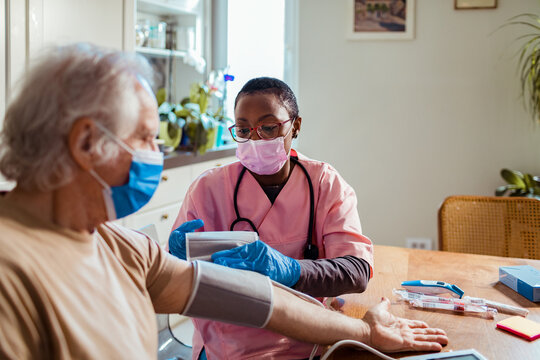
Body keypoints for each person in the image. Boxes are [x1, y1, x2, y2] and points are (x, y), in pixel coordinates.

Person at [0, 44, 447, 360]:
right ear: (86, 143)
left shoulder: (117, 246)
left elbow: (262, 302)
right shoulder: (12, 274)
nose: (157, 153)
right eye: (145, 137)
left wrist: (365, 331)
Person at [168, 78, 393, 359]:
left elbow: (356, 271)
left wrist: (291, 270)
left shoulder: (324, 183)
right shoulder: (208, 189)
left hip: (307, 340)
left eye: (268, 127)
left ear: (295, 126)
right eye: (243, 129)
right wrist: (174, 261)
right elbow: (173, 283)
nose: (255, 139)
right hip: (227, 346)